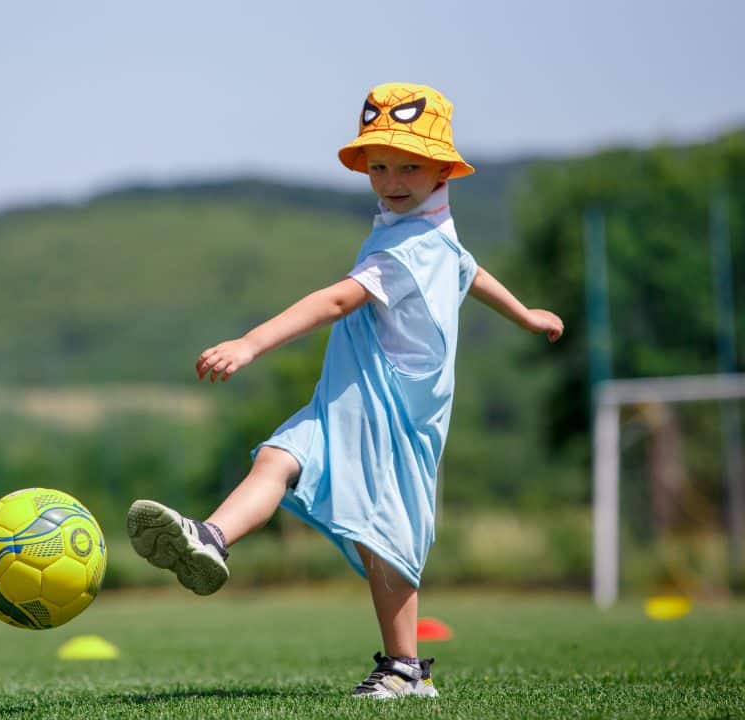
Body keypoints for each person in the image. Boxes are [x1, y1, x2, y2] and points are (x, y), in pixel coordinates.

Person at [126, 82, 564, 700]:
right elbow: (469, 269)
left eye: (408, 166)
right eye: (378, 166)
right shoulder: (432, 233)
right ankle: (211, 538)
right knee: (277, 457)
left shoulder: (404, 247)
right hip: (350, 400)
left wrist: (250, 344)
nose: (390, 180)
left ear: (443, 170)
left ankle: (405, 668)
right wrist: (525, 314)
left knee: (384, 540)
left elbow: (336, 301)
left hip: (389, 415)